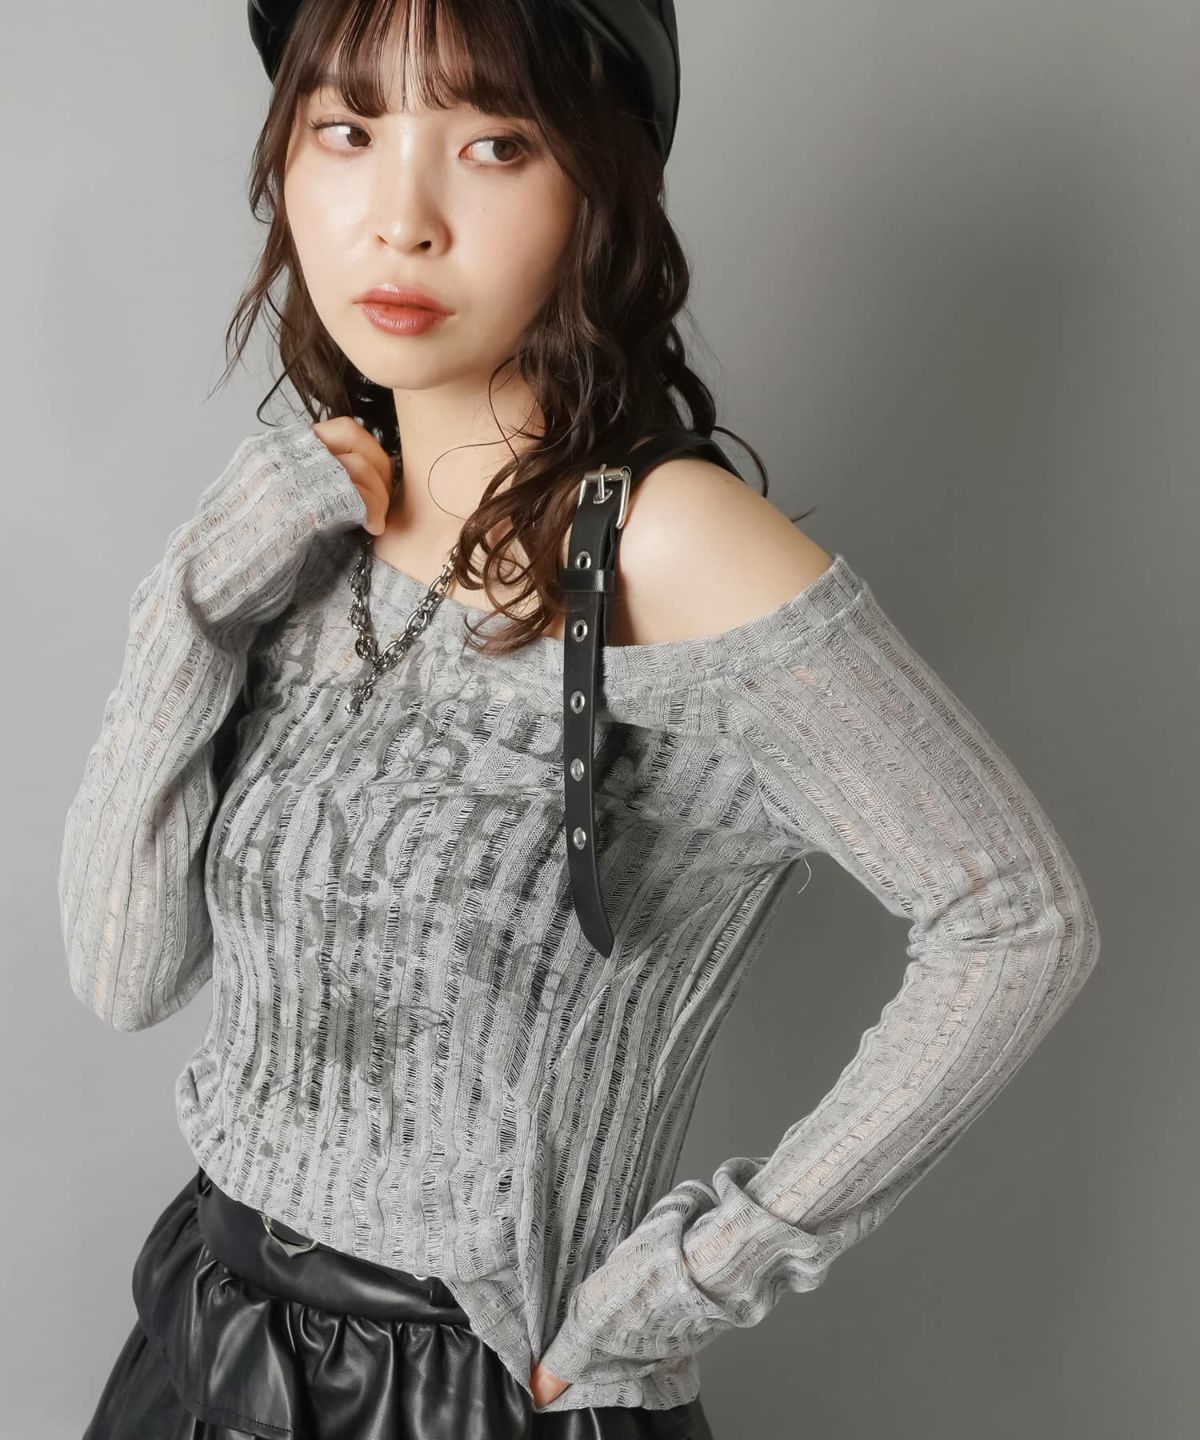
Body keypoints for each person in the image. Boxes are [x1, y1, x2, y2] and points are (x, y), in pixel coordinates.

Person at [60, 1, 1102, 1436]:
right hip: (204, 1320)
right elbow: (127, 973)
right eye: (347, 131)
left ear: (600, 186)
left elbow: (1015, 920)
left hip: (462, 1383)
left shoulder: (674, 545)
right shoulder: (300, 526)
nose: (402, 219)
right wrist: (192, 606)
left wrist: (704, 1272)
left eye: (494, 144)